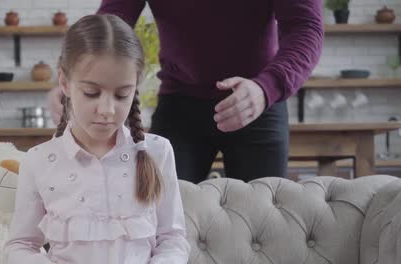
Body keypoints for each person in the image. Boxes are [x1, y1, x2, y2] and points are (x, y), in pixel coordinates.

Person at [6, 14, 190, 264]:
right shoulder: (39, 161)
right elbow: (19, 245)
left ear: (137, 86)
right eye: (92, 93)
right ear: (64, 83)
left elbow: (172, 238)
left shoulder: (158, 152)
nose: (107, 110)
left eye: (122, 95)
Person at [48, 0, 324, 184]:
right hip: (180, 106)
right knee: (157, 217)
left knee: (265, 225)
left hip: (258, 101)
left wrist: (268, 87)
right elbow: (112, 19)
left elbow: (306, 27)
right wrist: (75, 76)